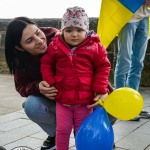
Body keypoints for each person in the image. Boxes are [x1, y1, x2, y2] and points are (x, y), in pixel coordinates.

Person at [40, 6, 116, 150]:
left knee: (81, 131)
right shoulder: (55, 46)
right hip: (62, 100)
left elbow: (103, 66)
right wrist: (50, 81)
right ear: (62, 31)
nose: (74, 34)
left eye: (79, 30)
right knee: (62, 131)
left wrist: (99, 88)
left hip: (85, 101)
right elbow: (46, 63)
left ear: (86, 30)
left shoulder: (95, 47)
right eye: (69, 30)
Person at [4, 17, 59, 150]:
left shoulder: (60, 37)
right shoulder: (20, 59)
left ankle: (97, 133)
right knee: (31, 105)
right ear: (20, 48)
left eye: (38, 32)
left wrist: (104, 90)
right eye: (30, 41)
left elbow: (97, 60)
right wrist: (37, 86)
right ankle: (55, 134)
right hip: (55, 101)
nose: (39, 40)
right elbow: (21, 86)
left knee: (106, 107)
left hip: (80, 98)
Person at [114, 2, 150, 121]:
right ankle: (120, 105)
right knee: (124, 61)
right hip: (127, 18)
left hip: (144, 17)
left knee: (138, 63)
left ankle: (133, 104)